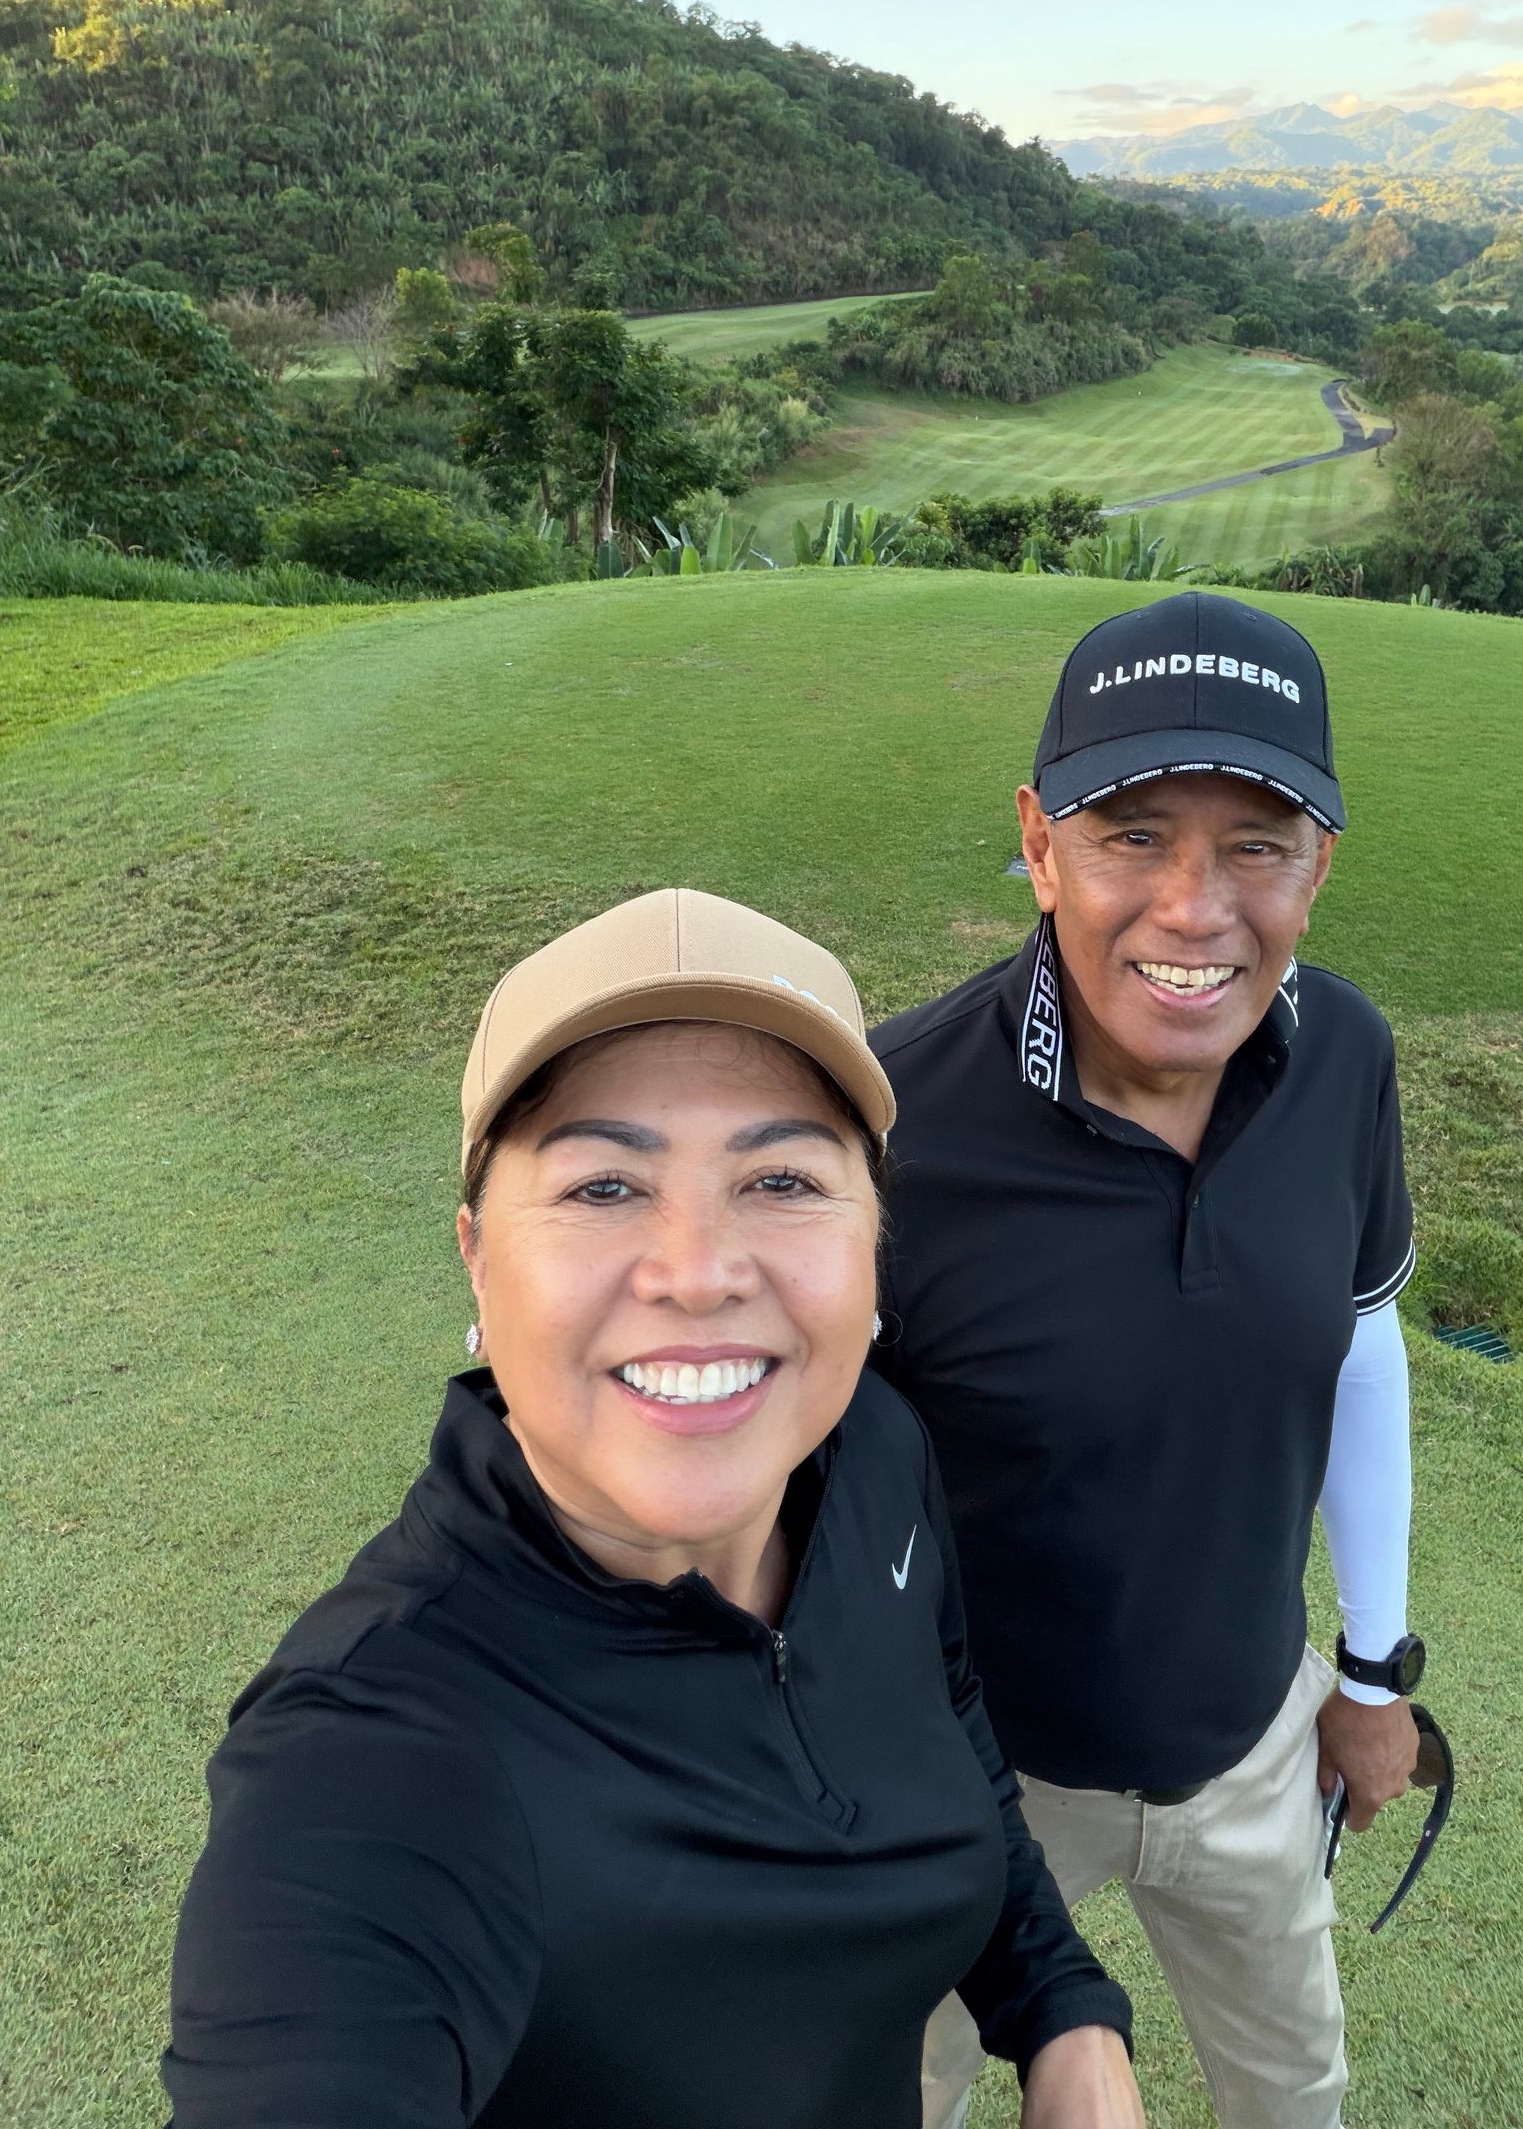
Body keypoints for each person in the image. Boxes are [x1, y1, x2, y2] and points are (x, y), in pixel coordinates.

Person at [164, 889, 1145, 2129]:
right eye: (603, 1187)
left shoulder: (874, 1455)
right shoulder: (374, 1759)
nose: (699, 1271)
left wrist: (1065, 2013)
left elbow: (953, 1739)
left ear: (876, 1241)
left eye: (782, 1177)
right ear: (476, 1256)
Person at [872, 593, 1424, 2129]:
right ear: (1040, 846)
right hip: (970, 1777)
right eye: (1133, 835)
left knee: (1294, 2096)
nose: (1195, 908)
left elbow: (1360, 1344)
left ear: (1319, 865)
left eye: (1257, 845)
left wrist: (1372, 1673)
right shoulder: (892, 1121)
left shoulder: (1348, 1058)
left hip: (1252, 1753)